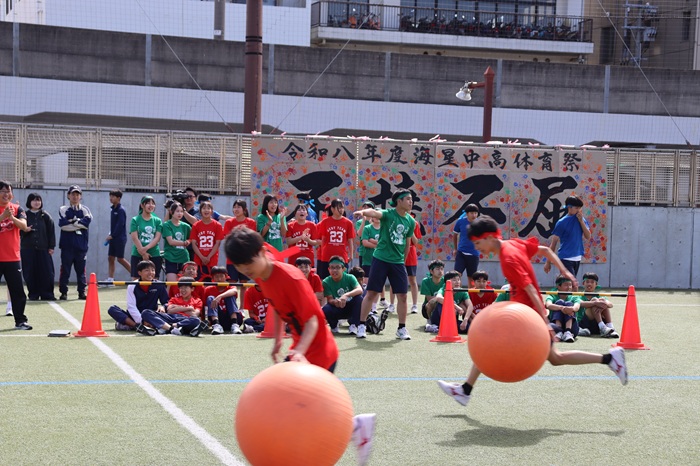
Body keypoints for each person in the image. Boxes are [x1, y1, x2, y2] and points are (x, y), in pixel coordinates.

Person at [437, 215, 628, 408]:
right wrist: (564, 271)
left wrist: (544, 322)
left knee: (490, 341)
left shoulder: (508, 258)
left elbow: (530, 289)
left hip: (526, 317)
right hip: (524, 313)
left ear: (489, 237)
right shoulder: (512, 244)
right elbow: (545, 250)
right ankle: (610, 359)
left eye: (478, 243)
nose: (477, 248)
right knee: (555, 358)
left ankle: (465, 390)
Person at [224, 227, 376, 465]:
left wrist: (299, 352)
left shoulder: (292, 278)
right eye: (242, 269)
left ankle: (356, 427)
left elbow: (314, 320)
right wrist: (278, 339)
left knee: (309, 415)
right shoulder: (262, 275)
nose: (247, 273)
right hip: (300, 353)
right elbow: (277, 305)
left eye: (249, 266)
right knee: (287, 410)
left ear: (262, 252)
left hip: (320, 353)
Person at [352, 189, 416, 340]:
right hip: (380, 259)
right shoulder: (388, 214)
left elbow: (407, 244)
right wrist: (363, 212)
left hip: (398, 262)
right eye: (407, 199)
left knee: (403, 296)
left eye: (411, 199)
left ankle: (401, 328)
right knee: (371, 293)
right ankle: (362, 325)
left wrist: (402, 261)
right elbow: (374, 212)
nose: (410, 202)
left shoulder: (411, 221)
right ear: (399, 201)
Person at [0, 181, 32, 330]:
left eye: (8, 191)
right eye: (3, 191)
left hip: (13, 258)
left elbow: (24, 226)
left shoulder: (18, 209)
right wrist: (2, 216)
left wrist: (12, 218)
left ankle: (20, 321)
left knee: (18, 291)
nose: (6, 194)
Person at [107, 260, 169, 331]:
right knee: (112, 309)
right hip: (134, 316)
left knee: (168, 315)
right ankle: (138, 326)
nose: (151, 273)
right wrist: (142, 321)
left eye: (153, 270)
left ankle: (132, 325)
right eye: (147, 270)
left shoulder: (159, 285)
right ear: (139, 273)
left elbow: (166, 302)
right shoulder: (132, 285)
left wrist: (162, 307)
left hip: (151, 316)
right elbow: (131, 307)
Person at [544, 194, 591, 280]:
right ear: (569, 207)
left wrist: (581, 222)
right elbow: (553, 243)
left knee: (569, 284)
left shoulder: (581, 219)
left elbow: (588, 236)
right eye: (576, 208)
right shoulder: (561, 222)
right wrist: (548, 262)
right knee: (571, 283)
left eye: (580, 208)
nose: (579, 210)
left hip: (577, 257)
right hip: (565, 257)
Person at [141, 277, 207, 336]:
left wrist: (176, 308)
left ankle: (167, 328)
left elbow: (195, 314)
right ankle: (172, 329)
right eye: (181, 288)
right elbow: (170, 311)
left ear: (192, 289)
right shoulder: (174, 299)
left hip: (184, 320)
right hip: (170, 317)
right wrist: (188, 308)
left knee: (196, 320)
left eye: (185, 287)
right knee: (145, 312)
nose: (183, 290)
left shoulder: (198, 300)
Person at [58, 185, 92, 300]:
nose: (75, 196)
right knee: (65, 270)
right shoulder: (63, 209)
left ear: (80, 196)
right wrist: (78, 224)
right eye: (73, 194)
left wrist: (72, 222)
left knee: (81, 271)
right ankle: (63, 292)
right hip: (66, 246)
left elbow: (86, 224)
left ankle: (81, 292)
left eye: (77, 194)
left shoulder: (85, 209)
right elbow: (63, 226)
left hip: (81, 247)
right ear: (68, 195)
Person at [20, 193, 56, 301]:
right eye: (34, 200)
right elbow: (18, 231)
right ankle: (33, 294)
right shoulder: (24, 215)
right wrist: (25, 230)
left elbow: (51, 232)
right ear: (29, 202)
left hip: (43, 248)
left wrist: (51, 247)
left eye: (38, 200)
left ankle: (47, 294)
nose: (37, 202)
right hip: (27, 249)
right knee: (30, 272)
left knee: (47, 272)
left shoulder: (45, 216)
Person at [322, 256, 364, 335]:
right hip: (337, 307)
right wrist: (335, 302)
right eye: (332, 268)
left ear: (343, 269)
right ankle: (334, 326)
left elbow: (359, 290)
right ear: (328, 269)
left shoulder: (350, 277)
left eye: (338, 267)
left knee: (359, 299)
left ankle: (354, 325)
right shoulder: (326, 282)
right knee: (326, 309)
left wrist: (346, 295)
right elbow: (329, 299)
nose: (334, 270)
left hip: (351, 307)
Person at [316, 199, 355, 279]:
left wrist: (351, 255)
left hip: (342, 256)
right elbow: (323, 239)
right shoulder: (325, 222)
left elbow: (350, 240)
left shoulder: (348, 223)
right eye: (339, 207)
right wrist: (322, 253)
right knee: (325, 279)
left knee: (343, 279)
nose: (341, 210)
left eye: (342, 207)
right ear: (332, 209)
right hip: (327, 256)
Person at [425, 270, 473, 334]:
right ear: (447, 282)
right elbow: (438, 298)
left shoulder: (462, 291)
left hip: (452, 320)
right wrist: (456, 307)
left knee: (468, 328)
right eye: (454, 280)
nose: (457, 282)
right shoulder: (443, 289)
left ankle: (437, 328)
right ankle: (435, 325)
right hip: (439, 318)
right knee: (442, 303)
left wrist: (465, 320)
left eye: (458, 280)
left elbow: (470, 305)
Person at [129, 195, 164, 279]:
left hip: (154, 253)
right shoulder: (135, 220)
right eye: (148, 203)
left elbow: (157, 238)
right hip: (137, 253)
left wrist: (145, 249)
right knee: (136, 280)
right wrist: (143, 253)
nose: (151, 205)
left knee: (154, 280)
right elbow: (134, 237)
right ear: (142, 205)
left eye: (153, 203)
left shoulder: (157, 220)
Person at [358, 210, 386, 312]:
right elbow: (365, 242)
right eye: (375, 215)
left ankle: (374, 307)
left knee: (377, 284)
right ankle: (364, 304)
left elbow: (385, 244)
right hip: (368, 260)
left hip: (380, 260)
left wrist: (373, 241)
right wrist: (378, 244)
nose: (377, 217)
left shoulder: (384, 228)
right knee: (366, 284)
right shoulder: (367, 228)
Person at [203, 266, 243, 335]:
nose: (219, 279)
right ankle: (216, 324)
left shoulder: (230, 286)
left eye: (221, 276)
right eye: (216, 277)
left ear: (226, 277)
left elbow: (234, 291)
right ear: (212, 278)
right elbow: (204, 306)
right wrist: (204, 320)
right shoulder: (208, 289)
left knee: (230, 296)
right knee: (210, 298)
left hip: (230, 316)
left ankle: (234, 324)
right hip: (219, 318)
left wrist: (220, 296)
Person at [223, 199, 256, 281]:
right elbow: (227, 238)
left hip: (245, 258)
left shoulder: (251, 222)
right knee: (232, 282)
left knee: (243, 283)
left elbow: (250, 240)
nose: (236, 209)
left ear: (244, 209)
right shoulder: (228, 222)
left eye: (238, 207)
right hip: (232, 258)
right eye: (234, 207)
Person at [189, 200, 224, 278]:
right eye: (204, 208)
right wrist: (201, 257)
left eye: (208, 208)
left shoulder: (217, 225)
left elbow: (217, 243)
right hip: (199, 259)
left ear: (212, 211)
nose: (206, 210)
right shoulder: (196, 225)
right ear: (200, 211)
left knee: (212, 281)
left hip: (212, 259)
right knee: (199, 281)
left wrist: (209, 257)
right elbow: (194, 243)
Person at [578, 272, 619, 338]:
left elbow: (610, 304)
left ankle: (610, 327)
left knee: (602, 301)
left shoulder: (599, 296)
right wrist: (595, 303)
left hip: (597, 325)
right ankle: (603, 328)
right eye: (587, 282)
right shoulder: (579, 295)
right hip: (585, 325)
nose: (589, 284)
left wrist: (604, 303)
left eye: (592, 282)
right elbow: (581, 303)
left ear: (596, 284)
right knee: (595, 301)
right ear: (583, 283)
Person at [544, 274, 583, 343]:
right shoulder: (553, 295)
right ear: (558, 286)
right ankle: (559, 331)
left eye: (570, 285)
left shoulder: (574, 296)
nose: (569, 287)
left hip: (573, 329)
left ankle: (568, 332)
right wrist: (562, 308)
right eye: (566, 285)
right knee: (559, 302)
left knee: (569, 304)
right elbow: (548, 305)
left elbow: (576, 307)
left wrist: (570, 309)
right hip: (554, 327)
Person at [162, 201, 192, 288]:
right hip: (171, 257)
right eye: (177, 211)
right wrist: (184, 243)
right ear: (171, 212)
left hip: (183, 257)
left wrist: (188, 241)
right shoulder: (167, 225)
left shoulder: (186, 226)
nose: (180, 213)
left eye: (181, 211)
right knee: (171, 284)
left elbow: (191, 238)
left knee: (184, 283)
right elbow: (171, 241)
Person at [105, 189, 131, 284]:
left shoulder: (121, 210)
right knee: (110, 257)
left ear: (118, 198)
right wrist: (111, 234)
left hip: (120, 239)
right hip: (113, 238)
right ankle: (110, 279)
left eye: (113, 196)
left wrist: (113, 235)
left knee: (120, 259)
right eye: (110, 196)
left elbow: (120, 224)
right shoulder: (113, 209)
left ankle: (136, 275)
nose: (111, 198)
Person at [452, 204, 480, 284]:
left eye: (475, 213)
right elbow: (455, 234)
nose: (474, 215)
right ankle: (457, 291)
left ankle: (470, 292)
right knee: (457, 275)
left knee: (471, 278)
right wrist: (455, 249)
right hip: (461, 252)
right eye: (472, 213)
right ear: (467, 213)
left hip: (474, 254)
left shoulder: (480, 223)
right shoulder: (460, 221)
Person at [404, 212, 422, 314]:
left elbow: (415, 242)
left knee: (412, 280)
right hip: (398, 252)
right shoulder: (396, 220)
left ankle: (414, 305)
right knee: (395, 279)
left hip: (411, 254)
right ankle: (392, 304)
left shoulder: (414, 223)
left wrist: (411, 229)